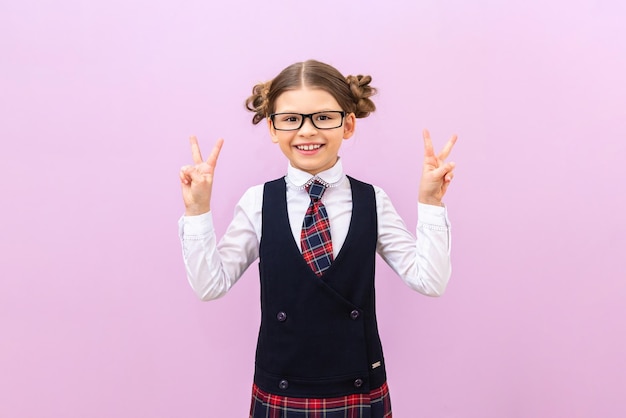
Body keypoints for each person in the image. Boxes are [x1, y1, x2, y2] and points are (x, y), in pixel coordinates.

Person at [178, 59, 457, 418]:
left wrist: (431, 204)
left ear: (349, 124)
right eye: (291, 119)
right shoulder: (257, 202)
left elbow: (430, 281)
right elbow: (208, 286)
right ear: (272, 128)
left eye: (323, 117)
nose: (307, 131)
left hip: (357, 384)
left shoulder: (373, 200)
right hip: (281, 385)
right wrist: (198, 211)